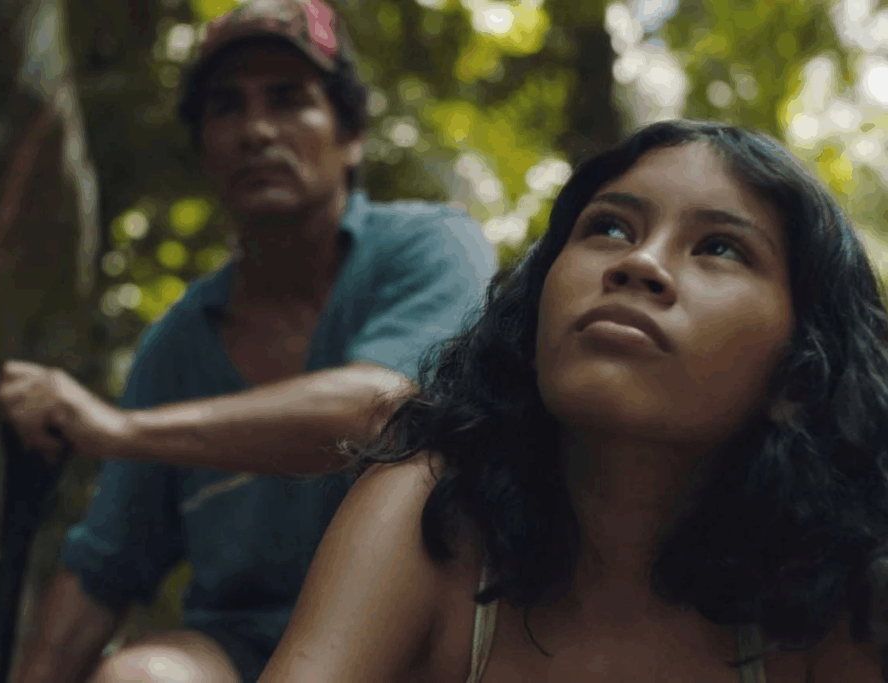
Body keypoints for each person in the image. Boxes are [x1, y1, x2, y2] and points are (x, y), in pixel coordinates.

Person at [259, 120, 888, 682]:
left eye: (719, 247)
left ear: (799, 374)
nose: (639, 262)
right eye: (609, 228)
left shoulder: (837, 595)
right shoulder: (429, 511)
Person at [0, 2, 496, 682]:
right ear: (204, 149)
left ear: (350, 137)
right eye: (227, 107)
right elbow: (104, 566)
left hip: (416, 646)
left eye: (289, 100)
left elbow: (382, 409)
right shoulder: (178, 346)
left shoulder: (431, 246)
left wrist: (119, 429)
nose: (256, 130)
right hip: (239, 646)